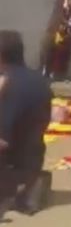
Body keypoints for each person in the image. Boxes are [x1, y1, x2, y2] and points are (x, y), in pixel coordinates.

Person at [0, 31, 53, 216]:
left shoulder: (8, 85)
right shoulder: (39, 79)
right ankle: (30, 180)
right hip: (34, 153)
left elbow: (3, 141)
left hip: (11, 158)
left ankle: (23, 185)